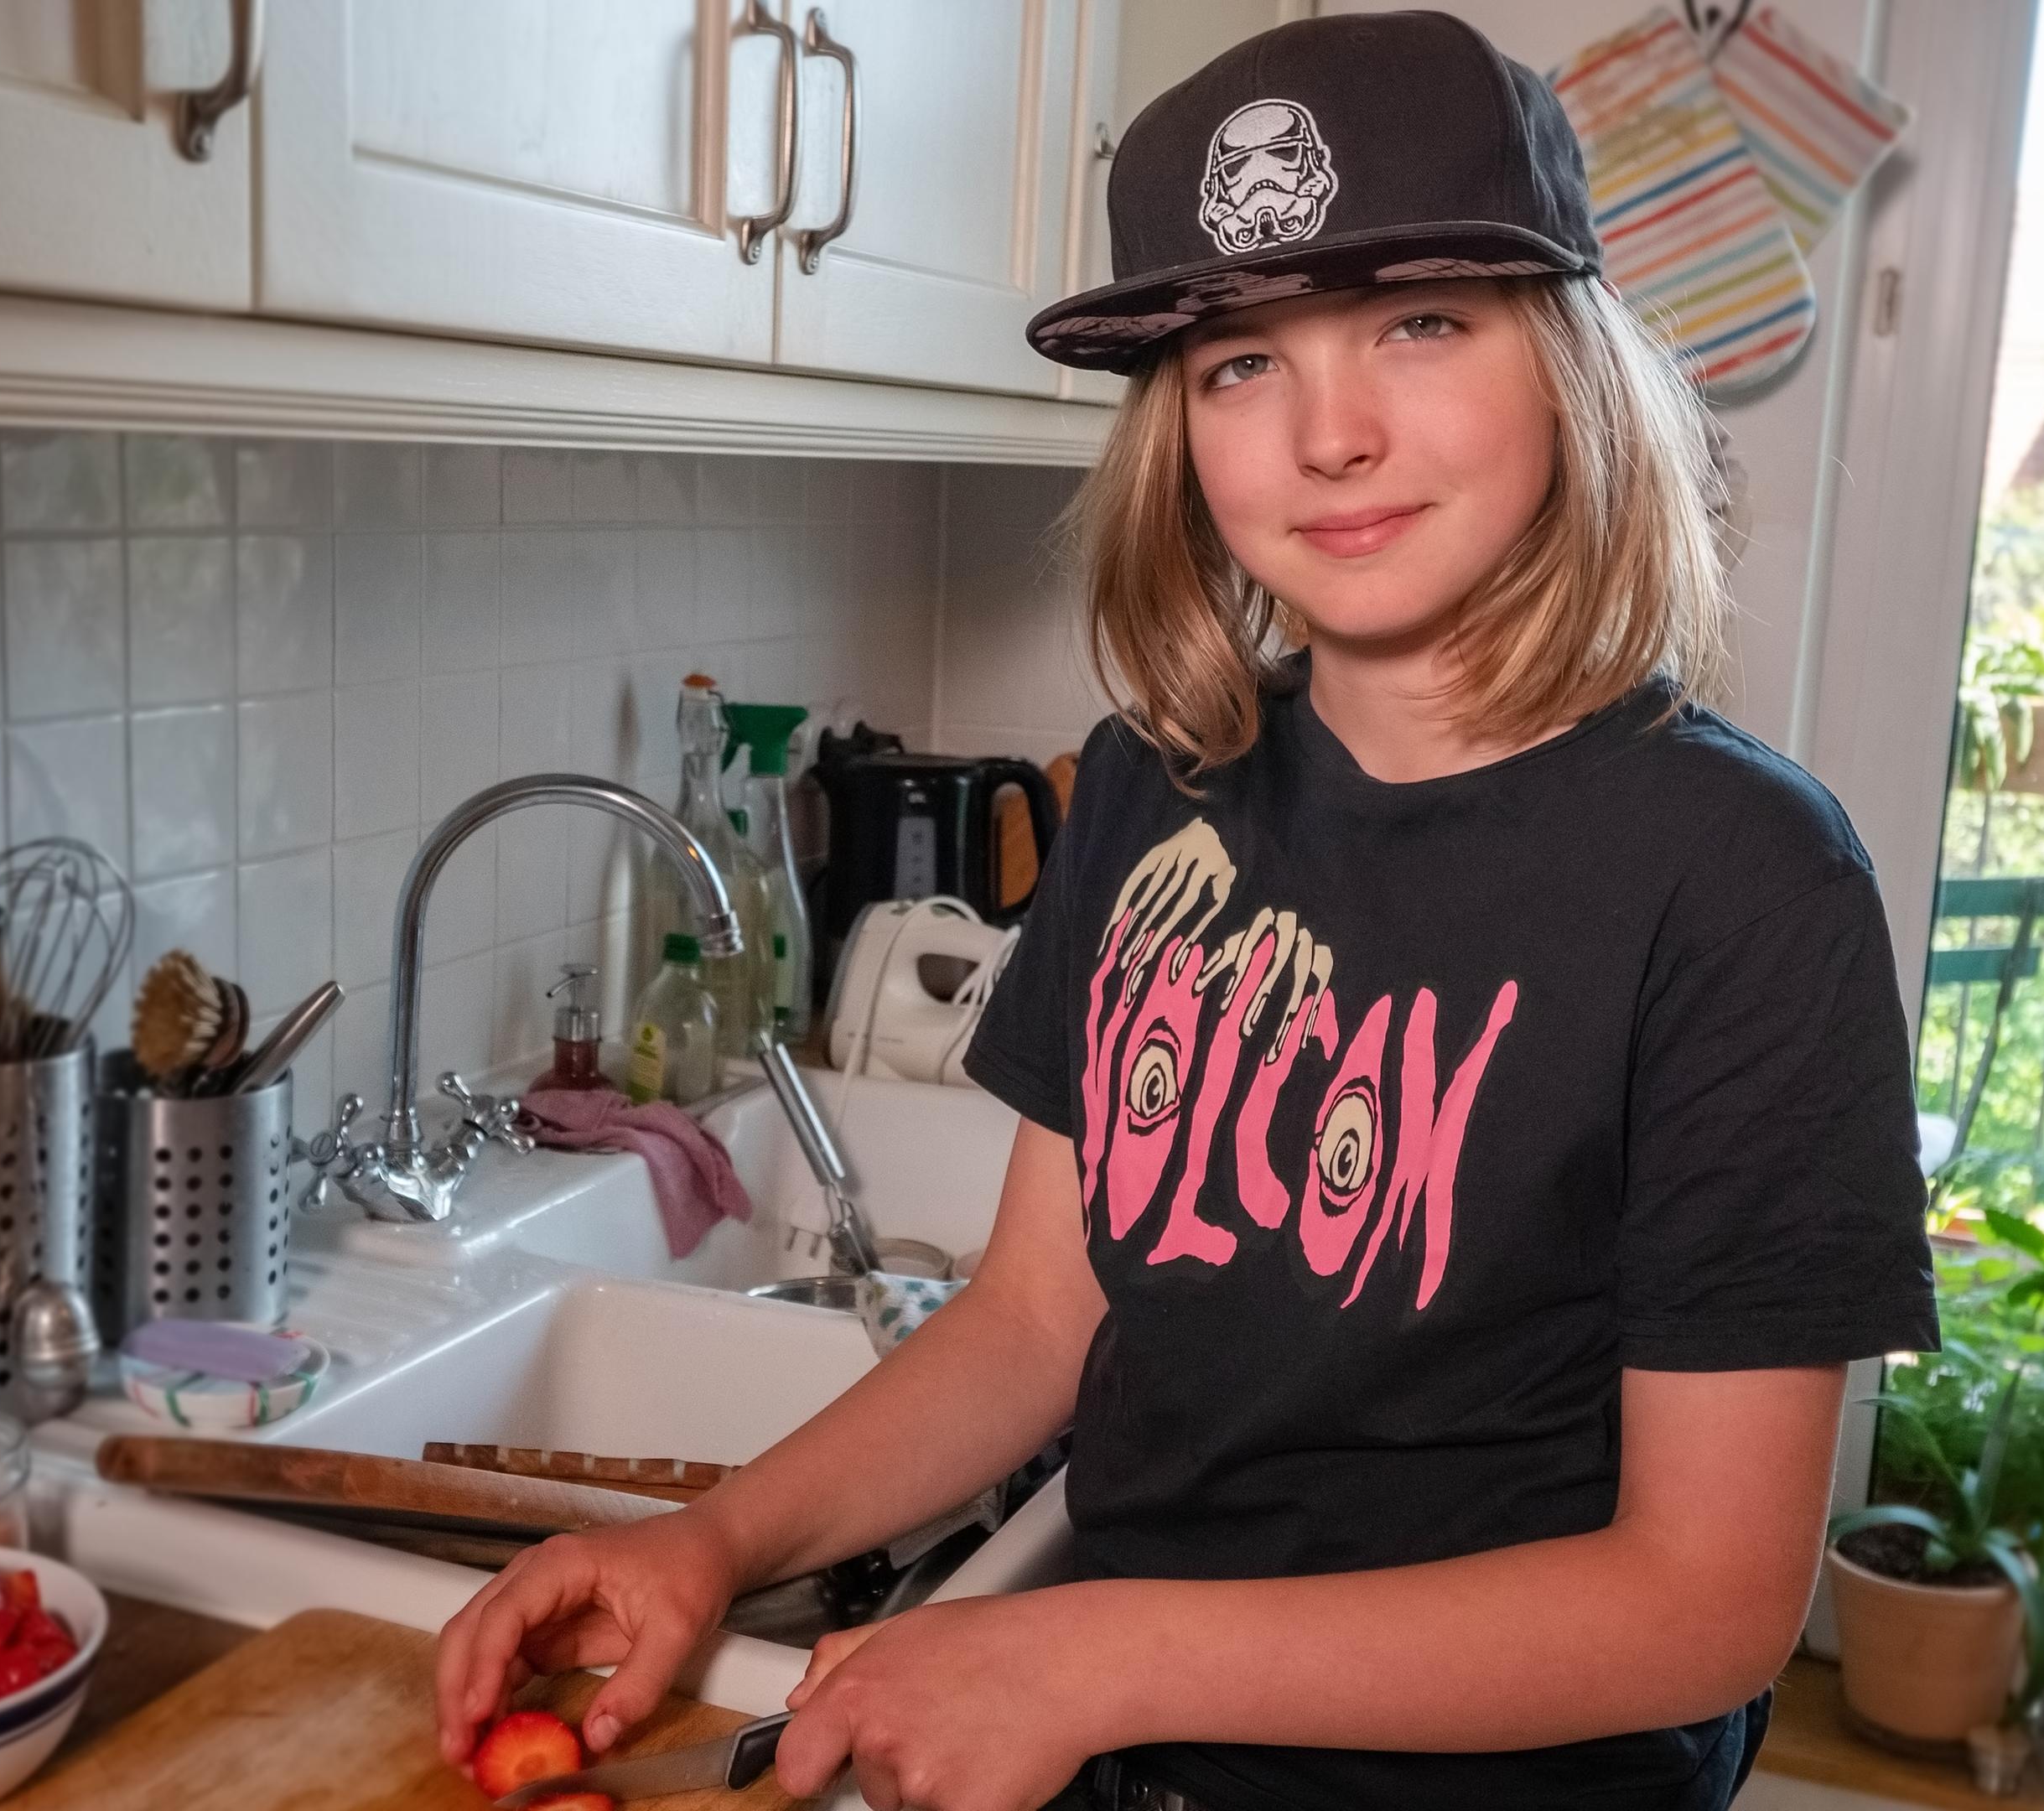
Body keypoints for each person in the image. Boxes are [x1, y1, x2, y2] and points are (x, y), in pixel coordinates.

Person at [432, 13, 1937, 1809]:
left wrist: (1086, 1651)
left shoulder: (1745, 879)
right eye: (1238, 363)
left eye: (1422, 323)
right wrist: (715, 1539)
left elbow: (1705, 1603)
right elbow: (1024, 1328)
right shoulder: (1159, 785)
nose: (1333, 434)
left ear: (1567, 365)